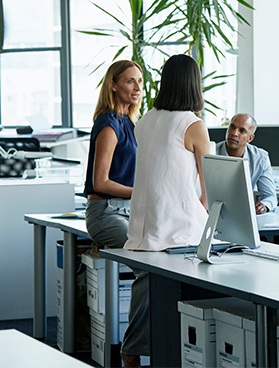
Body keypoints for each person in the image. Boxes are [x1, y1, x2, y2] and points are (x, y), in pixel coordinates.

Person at [122, 54, 213, 367]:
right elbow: (209, 185)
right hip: (178, 231)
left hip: (144, 229)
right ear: (194, 84)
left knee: (146, 289)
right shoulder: (192, 124)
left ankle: (133, 352)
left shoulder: (146, 119)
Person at [84, 60, 142, 251]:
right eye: (130, 81)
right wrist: (141, 193)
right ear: (113, 85)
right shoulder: (109, 123)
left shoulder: (129, 122)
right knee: (143, 253)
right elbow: (100, 183)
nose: (137, 88)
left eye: (140, 82)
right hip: (106, 212)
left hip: (128, 210)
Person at [215, 113, 277, 214]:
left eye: (242, 131)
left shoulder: (260, 158)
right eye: (232, 127)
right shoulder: (210, 152)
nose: (234, 133)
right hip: (213, 213)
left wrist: (265, 205)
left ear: (250, 138)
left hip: (243, 214)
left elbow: (270, 196)